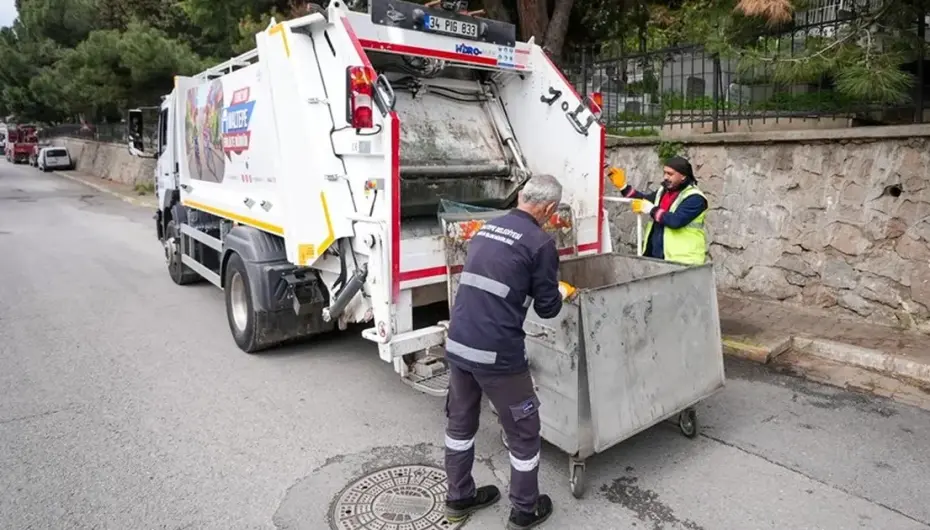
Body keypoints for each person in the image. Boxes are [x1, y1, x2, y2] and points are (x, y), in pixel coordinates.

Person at [443, 174, 571, 529]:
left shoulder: (486, 229)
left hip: (458, 341)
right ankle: (524, 510)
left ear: (521, 196)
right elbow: (548, 310)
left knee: (460, 422)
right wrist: (559, 291)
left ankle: (458, 498)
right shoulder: (540, 243)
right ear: (549, 208)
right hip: (497, 353)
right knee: (524, 430)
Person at [608, 155, 709, 265]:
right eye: (664, 173)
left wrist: (650, 209)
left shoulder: (695, 198)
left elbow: (675, 221)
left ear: (683, 176)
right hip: (657, 258)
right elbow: (643, 201)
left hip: (684, 261)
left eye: (670, 174)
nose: (665, 177)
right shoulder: (663, 191)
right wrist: (623, 187)